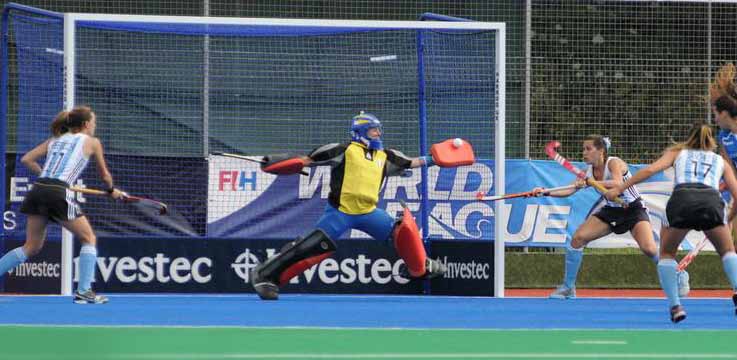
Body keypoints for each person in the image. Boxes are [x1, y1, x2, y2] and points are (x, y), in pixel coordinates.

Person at [249, 111, 447, 300]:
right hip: (340, 213)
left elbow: (411, 163)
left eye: (378, 129)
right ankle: (265, 276)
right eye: (373, 130)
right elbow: (305, 161)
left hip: (368, 213)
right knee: (311, 247)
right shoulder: (341, 151)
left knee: (402, 232)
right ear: (360, 132)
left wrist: (436, 160)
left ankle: (420, 266)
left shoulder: (385, 156)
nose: (378, 133)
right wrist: (276, 162)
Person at [605, 124, 737, 323]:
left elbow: (650, 170)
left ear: (689, 138)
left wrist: (619, 189)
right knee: (728, 251)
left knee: (666, 253)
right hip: (711, 201)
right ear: (712, 142)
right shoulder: (720, 161)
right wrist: (728, 218)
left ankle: (675, 306)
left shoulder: (678, 152)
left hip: (682, 199)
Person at [537, 135, 688, 299]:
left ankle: (679, 272)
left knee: (649, 249)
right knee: (577, 239)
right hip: (611, 210)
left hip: (633, 209)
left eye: (588, 149)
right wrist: (545, 191)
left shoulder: (614, 163)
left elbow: (617, 183)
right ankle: (568, 287)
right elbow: (569, 190)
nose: (584, 153)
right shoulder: (588, 172)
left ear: (601, 151)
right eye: (583, 149)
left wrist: (589, 183)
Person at [0, 106, 123, 304]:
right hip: (57, 193)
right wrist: (111, 190)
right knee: (88, 238)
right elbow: (105, 176)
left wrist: (46, 176)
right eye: (94, 122)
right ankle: (84, 291)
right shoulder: (92, 142)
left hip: (38, 190)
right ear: (85, 124)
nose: (95, 126)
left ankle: (84, 291)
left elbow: (27, 159)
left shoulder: (55, 140)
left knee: (30, 247)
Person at [711, 63, 737, 248]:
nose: (715, 119)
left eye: (716, 115)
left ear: (725, 114)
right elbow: (729, 168)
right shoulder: (723, 136)